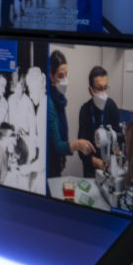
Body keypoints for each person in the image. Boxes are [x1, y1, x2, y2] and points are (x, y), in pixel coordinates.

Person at [46, 49, 95, 178]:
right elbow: (56, 145)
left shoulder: (59, 99)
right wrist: (78, 144)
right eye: (61, 76)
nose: (65, 80)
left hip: (58, 163)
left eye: (66, 75)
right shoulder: (49, 103)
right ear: (51, 76)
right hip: (49, 167)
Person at [77, 66, 120, 178]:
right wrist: (95, 162)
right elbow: (81, 147)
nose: (103, 93)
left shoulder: (112, 106)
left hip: (110, 167)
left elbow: (118, 138)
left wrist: (115, 157)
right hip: (91, 169)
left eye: (105, 88)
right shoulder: (85, 110)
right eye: (99, 89)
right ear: (90, 90)